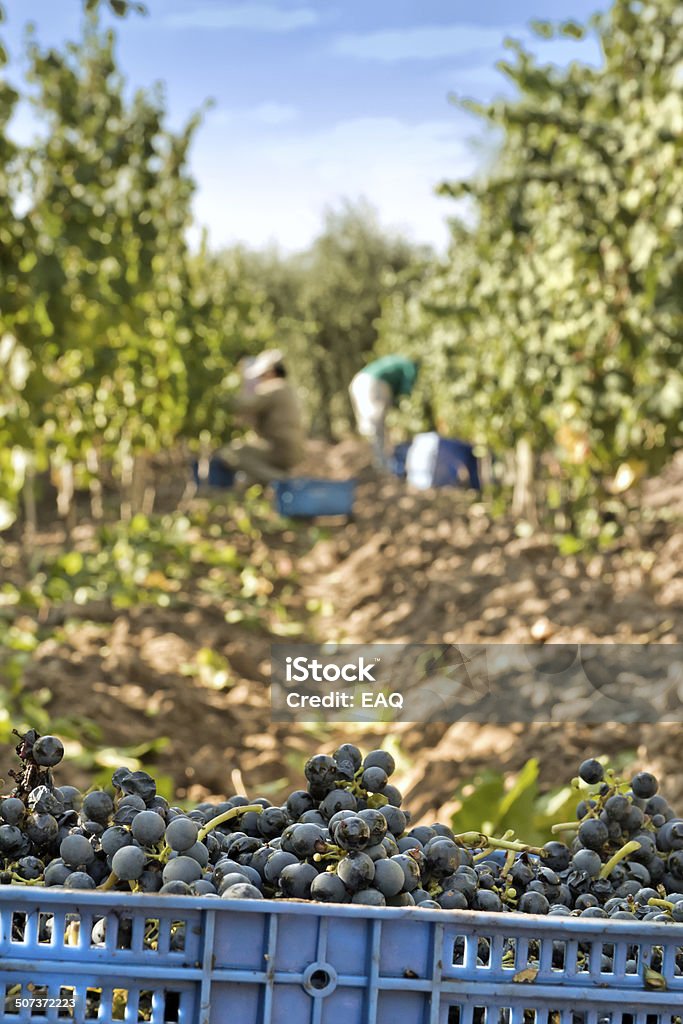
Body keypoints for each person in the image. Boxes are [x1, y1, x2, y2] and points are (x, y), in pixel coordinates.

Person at [217, 349, 305, 485]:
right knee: (250, 472)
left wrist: (220, 397)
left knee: (231, 453)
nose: (259, 380)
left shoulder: (273, 387)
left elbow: (244, 405)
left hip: (278, 449)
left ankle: (282, 482)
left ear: (270, 372)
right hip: (292, 449)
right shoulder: (286, 389)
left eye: (261, 375)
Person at [349, 354, 420, 468]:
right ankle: (381, 464)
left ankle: (376, 460)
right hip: (373, 384)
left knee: (369, 426)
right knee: (376, 425)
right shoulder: (409, 365)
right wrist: (406, 404)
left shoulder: (395, 362)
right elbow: (407, 389)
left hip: (357, 382)